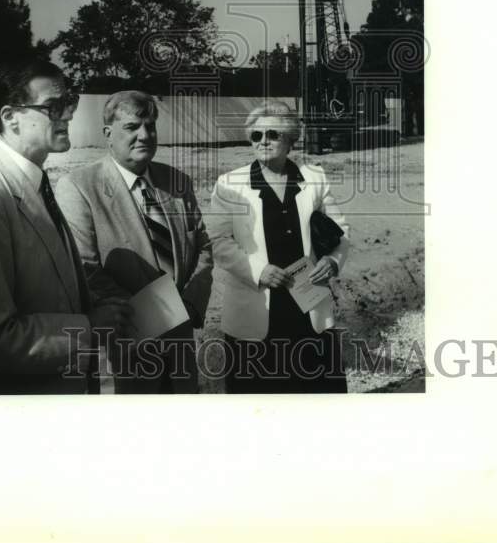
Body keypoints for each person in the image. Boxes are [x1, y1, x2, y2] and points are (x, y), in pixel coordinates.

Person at [0, 57, 130, 394]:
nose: (69, 114)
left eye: (69, 102)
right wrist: (88, 328)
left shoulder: (29, 180)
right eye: (53, 106)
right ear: (11, 117)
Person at [55, 90, 213, 393]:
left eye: (150, 126)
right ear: (108, 134)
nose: (144, 135)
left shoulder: (177, 182)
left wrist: (191, 303)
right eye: (131, 127)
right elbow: (85, 270)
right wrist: (152, 315)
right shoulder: (78, 188)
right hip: (124, 348)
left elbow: (203, 247)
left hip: (180, 347)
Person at [208, 101, 350, 393]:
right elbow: (218, 241)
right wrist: (259, 271)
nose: (263, 142)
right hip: (254, 311)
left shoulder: (314, 178)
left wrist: (333, 262)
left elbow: (341, 232)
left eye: (272, 134)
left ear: (290, 139)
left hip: (309, 309)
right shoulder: (230, 184)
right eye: (256, 136)